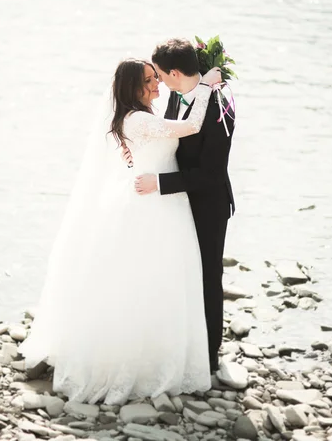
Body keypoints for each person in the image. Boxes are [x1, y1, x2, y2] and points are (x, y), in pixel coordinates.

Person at [19, 58, 222, 405]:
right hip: (152, 208)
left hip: (161, 202)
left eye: (156, 77)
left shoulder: (142, 114)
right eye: (149, 80)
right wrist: (205, 86)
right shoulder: (137, 119)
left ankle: (160, 355)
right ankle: (139, 365)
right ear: (133, 87)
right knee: (145, 283)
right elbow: (189, 128)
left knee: (162, 283)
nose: (157, 84)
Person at [131, 39, 235, 372]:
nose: (157, 82)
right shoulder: (176, 96)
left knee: (207, 274)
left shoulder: (220, 107)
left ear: (174, 73)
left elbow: (211, 173)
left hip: (207, 203)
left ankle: (209, 355)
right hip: (174, 205)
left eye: (159, 75)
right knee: (176, 270)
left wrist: (160, 184)